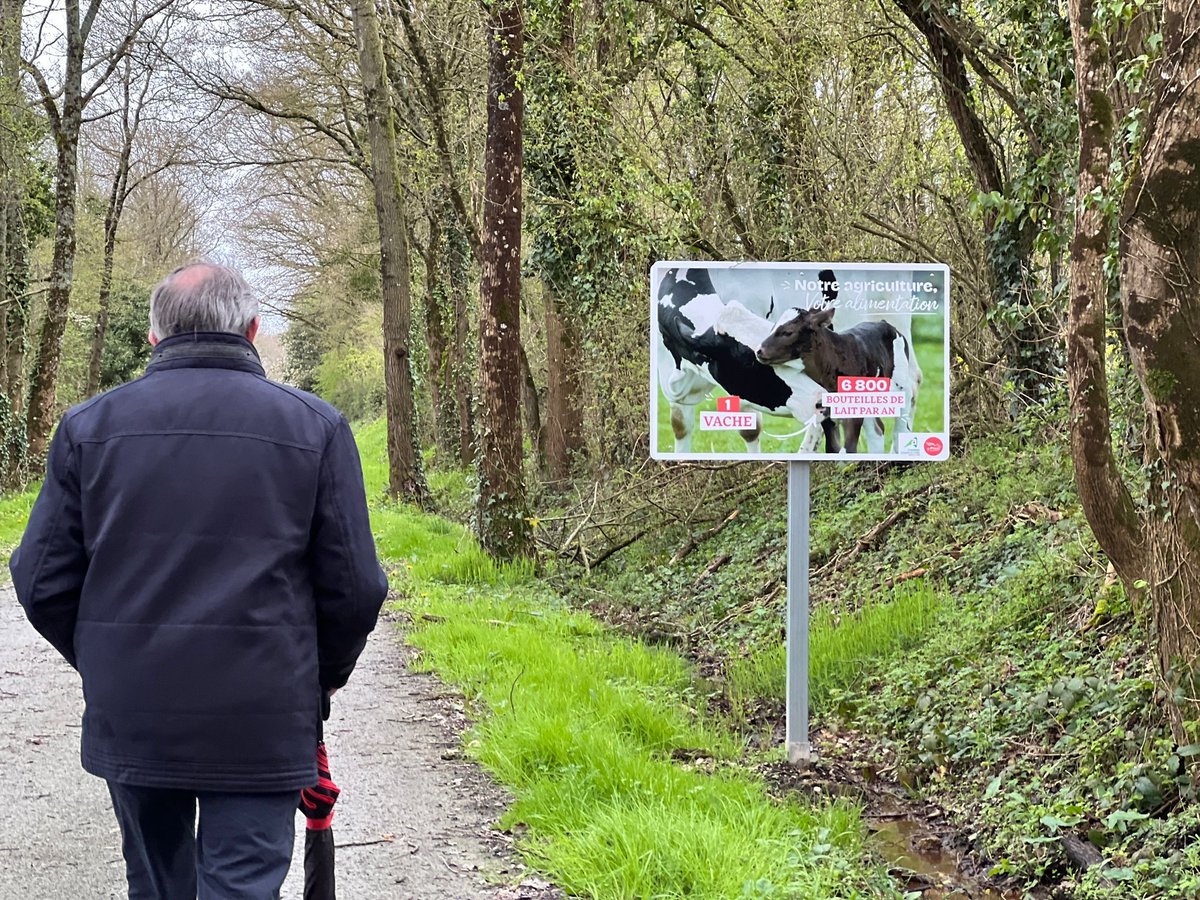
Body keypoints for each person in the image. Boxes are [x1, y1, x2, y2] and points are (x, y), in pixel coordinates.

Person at [9, 261, 388, 899]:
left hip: (134, 710)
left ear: (155, 339)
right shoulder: (315, 427)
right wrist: (318, 675)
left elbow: (40, 579)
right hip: (264, 716)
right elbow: (355, 587)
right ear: (252, 328)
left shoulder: (87, 428)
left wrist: (108, 657)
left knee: (156, 886)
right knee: (242, 886)